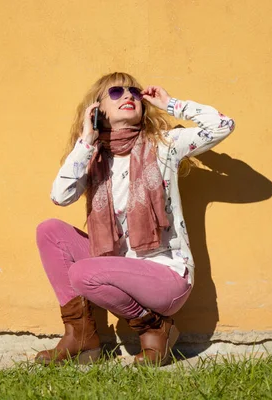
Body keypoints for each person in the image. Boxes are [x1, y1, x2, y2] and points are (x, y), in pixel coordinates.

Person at [35, 72, 235, 366]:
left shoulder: (164, 145)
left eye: (134, 92)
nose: (128, 96)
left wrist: (171, 104)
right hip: (116, 268)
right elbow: (60, 195)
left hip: (166, 275)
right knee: (50, 231)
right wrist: (86, 141)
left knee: (83, 273)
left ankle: (156, 328)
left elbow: (223, 125)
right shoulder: (93, 157)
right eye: (115, 92)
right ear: (97, 109)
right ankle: (80, 336)